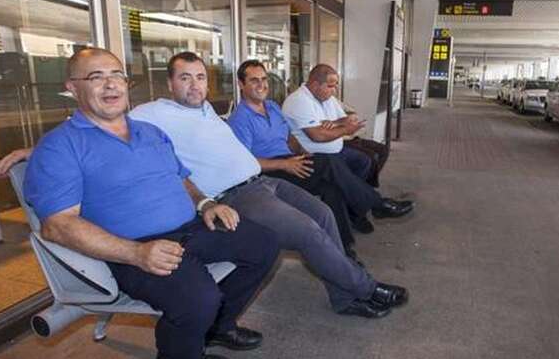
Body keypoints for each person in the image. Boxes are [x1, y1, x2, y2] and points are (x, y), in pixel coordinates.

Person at [22, 47, 280, 359]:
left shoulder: (150, 132)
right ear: (72, 87)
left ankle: (217, 326)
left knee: (264, 244)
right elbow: (57, 225)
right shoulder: (60, 147)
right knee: (199, 298)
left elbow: (180, 176)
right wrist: (136, 254)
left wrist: (205, 204)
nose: (110, 85)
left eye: (116, 75)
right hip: (132, 247)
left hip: (189, 227)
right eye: (96, 77)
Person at [129, 52, 408, 320]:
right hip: (236, 196)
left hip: (264, 182)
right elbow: (116, 125)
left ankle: (344, 298)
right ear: (169, 83)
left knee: (323, 212)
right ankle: (367, 288)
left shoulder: (207, 110)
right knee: (307, 231)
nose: (194, 85)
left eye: (200, 77)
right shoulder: (154, 113)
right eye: (185, 78)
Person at [227, 60, 413, 237]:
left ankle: (344, 249)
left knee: (333, 189)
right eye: (254, 80)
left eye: (264, 79)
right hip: (269, 173)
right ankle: (377, 204)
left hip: (290, 160)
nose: (261, 85)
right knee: (329, 162)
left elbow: (289, 136)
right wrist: (284, 164)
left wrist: (301, 152)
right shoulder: (239, 119)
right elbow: (245, 163)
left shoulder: (273, 107)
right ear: (241, 84)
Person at [281, 64, 376, 181]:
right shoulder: (299, 100)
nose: (334, 91)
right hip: (316, 155)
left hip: (335, 149)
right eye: (330, 86)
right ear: (315, 85)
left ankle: (354, 195)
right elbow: (318, 136)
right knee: (363, 162)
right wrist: (346, 130)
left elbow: (347, 119)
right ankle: (355, 195)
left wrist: (334, 123)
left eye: (336, 86)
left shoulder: (327, 98)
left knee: (368, 159)